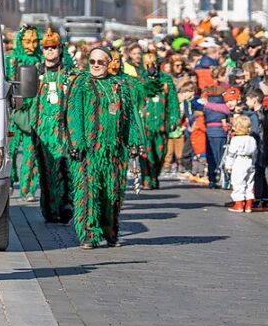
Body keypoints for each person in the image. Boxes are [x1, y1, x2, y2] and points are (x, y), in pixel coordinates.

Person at [65, 46, 143, 249]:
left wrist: (133, 141)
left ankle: (110, 232)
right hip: (88, 151)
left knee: (112, 193)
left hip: (114, 151)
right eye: (92, 62)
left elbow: (130, 117)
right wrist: (76, 142)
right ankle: (89, 234)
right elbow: (73, 114)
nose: (96, 65)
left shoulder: (120, 85)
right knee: (88, 192)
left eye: (100, 62)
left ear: (109, 63)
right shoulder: (81, 83)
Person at [31, 28, 74, 223]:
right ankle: (49, 210)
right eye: (46, 47)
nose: (50, 51)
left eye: (53, 47)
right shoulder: (35, 73)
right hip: (42, 131)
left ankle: (65, 205)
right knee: (46, 172)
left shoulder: (68, 74)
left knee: (64, 168)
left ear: (60, 49)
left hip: (63, 130)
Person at [6, 25, 41, 201]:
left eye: (35, 41)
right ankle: (10, 181)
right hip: (13, 113)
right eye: (27, 41)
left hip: (34, 113)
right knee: (10, 151)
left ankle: (28, 189)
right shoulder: (11, 59)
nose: (31, 45)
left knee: (30, 152)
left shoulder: (40, 60)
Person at [136, 52, 180, 190]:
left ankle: (155, 175)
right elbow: (135, 102)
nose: (151, 66)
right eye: (148, 64)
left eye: (153, 63)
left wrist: (174, 118)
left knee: (160, 153)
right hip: (145, 124)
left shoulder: (166, 80)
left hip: (162, 123)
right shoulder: (139, 81)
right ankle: (146, 179)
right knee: (145, 152)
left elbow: (173, 101)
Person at [224, 114, 257, 213]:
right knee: (249, 182)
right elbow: (255, 152)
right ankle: (248, 205)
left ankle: (238, 204)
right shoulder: (252, 139)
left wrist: (228, 165)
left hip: (240, 161)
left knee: (238, 182)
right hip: (250, 161)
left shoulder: (236, 139)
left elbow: (231, 154)